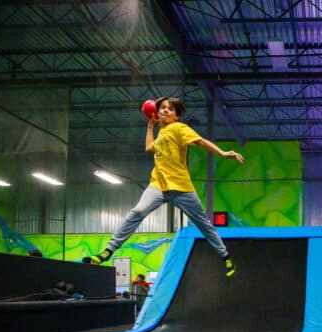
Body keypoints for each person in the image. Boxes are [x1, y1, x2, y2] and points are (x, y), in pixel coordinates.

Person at [83, 97, 244, 277]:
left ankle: (225, 256)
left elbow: (200, 141)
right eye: (162, 108)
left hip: (181, 186)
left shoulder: (179, 128)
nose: (165, 111)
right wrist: (150, 126)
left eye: (170, 109)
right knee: (137, 212)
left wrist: (222, 152)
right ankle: (108, 251)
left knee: (203, 224)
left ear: (176, 116)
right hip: (158, 185)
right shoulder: (161, 133)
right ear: (157, 113)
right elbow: (149, 147)